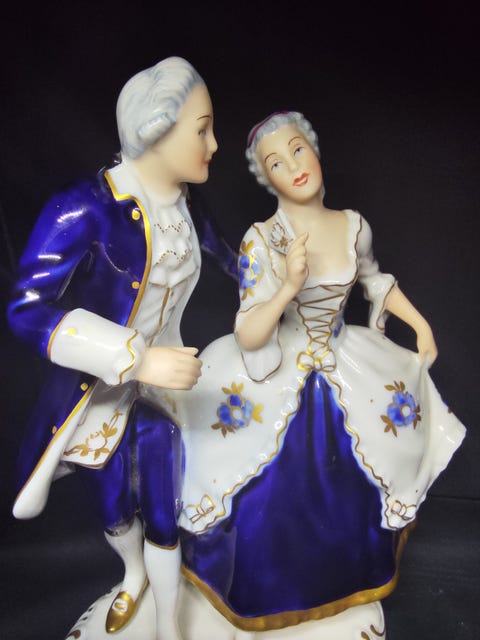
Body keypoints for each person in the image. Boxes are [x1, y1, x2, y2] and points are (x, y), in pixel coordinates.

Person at [174, 111, 466, 633]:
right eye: (276, 163)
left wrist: (420, 325)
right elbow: (250, 334)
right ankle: (268, 595)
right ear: (267, 179)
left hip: (346, 360)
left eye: (298, 150)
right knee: (264, 493)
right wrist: (288, 286)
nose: (294, 167)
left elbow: (376, 282)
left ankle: (346, 584)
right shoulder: (263, 239)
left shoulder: (354, 226)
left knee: (357, 482)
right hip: (280, 370)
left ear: (314, 149)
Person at [7, 56, 236, 640]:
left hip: (173, 387)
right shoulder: (84, 208)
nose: (214, 144)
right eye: (203, 129)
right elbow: (27, 308)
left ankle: (169, 623)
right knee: (112, 507)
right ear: (158, 130)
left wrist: (275, 277)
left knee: (166, 506)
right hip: (100, 394)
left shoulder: (187, 204)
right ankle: (133, 575)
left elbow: (229, 257)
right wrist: (136, 357)